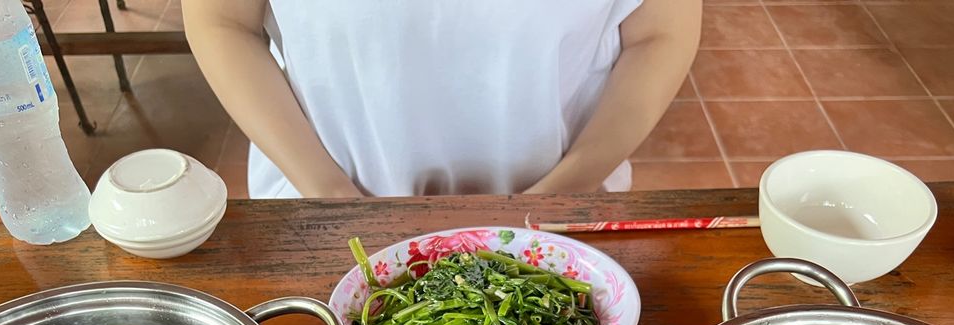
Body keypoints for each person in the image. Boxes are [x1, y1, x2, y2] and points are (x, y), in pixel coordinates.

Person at [182, 0, 702, 199]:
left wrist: (568, 187)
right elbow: (222, 20)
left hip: (563, 212)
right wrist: (328, 191)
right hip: (323, 210)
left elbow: (660, 31)